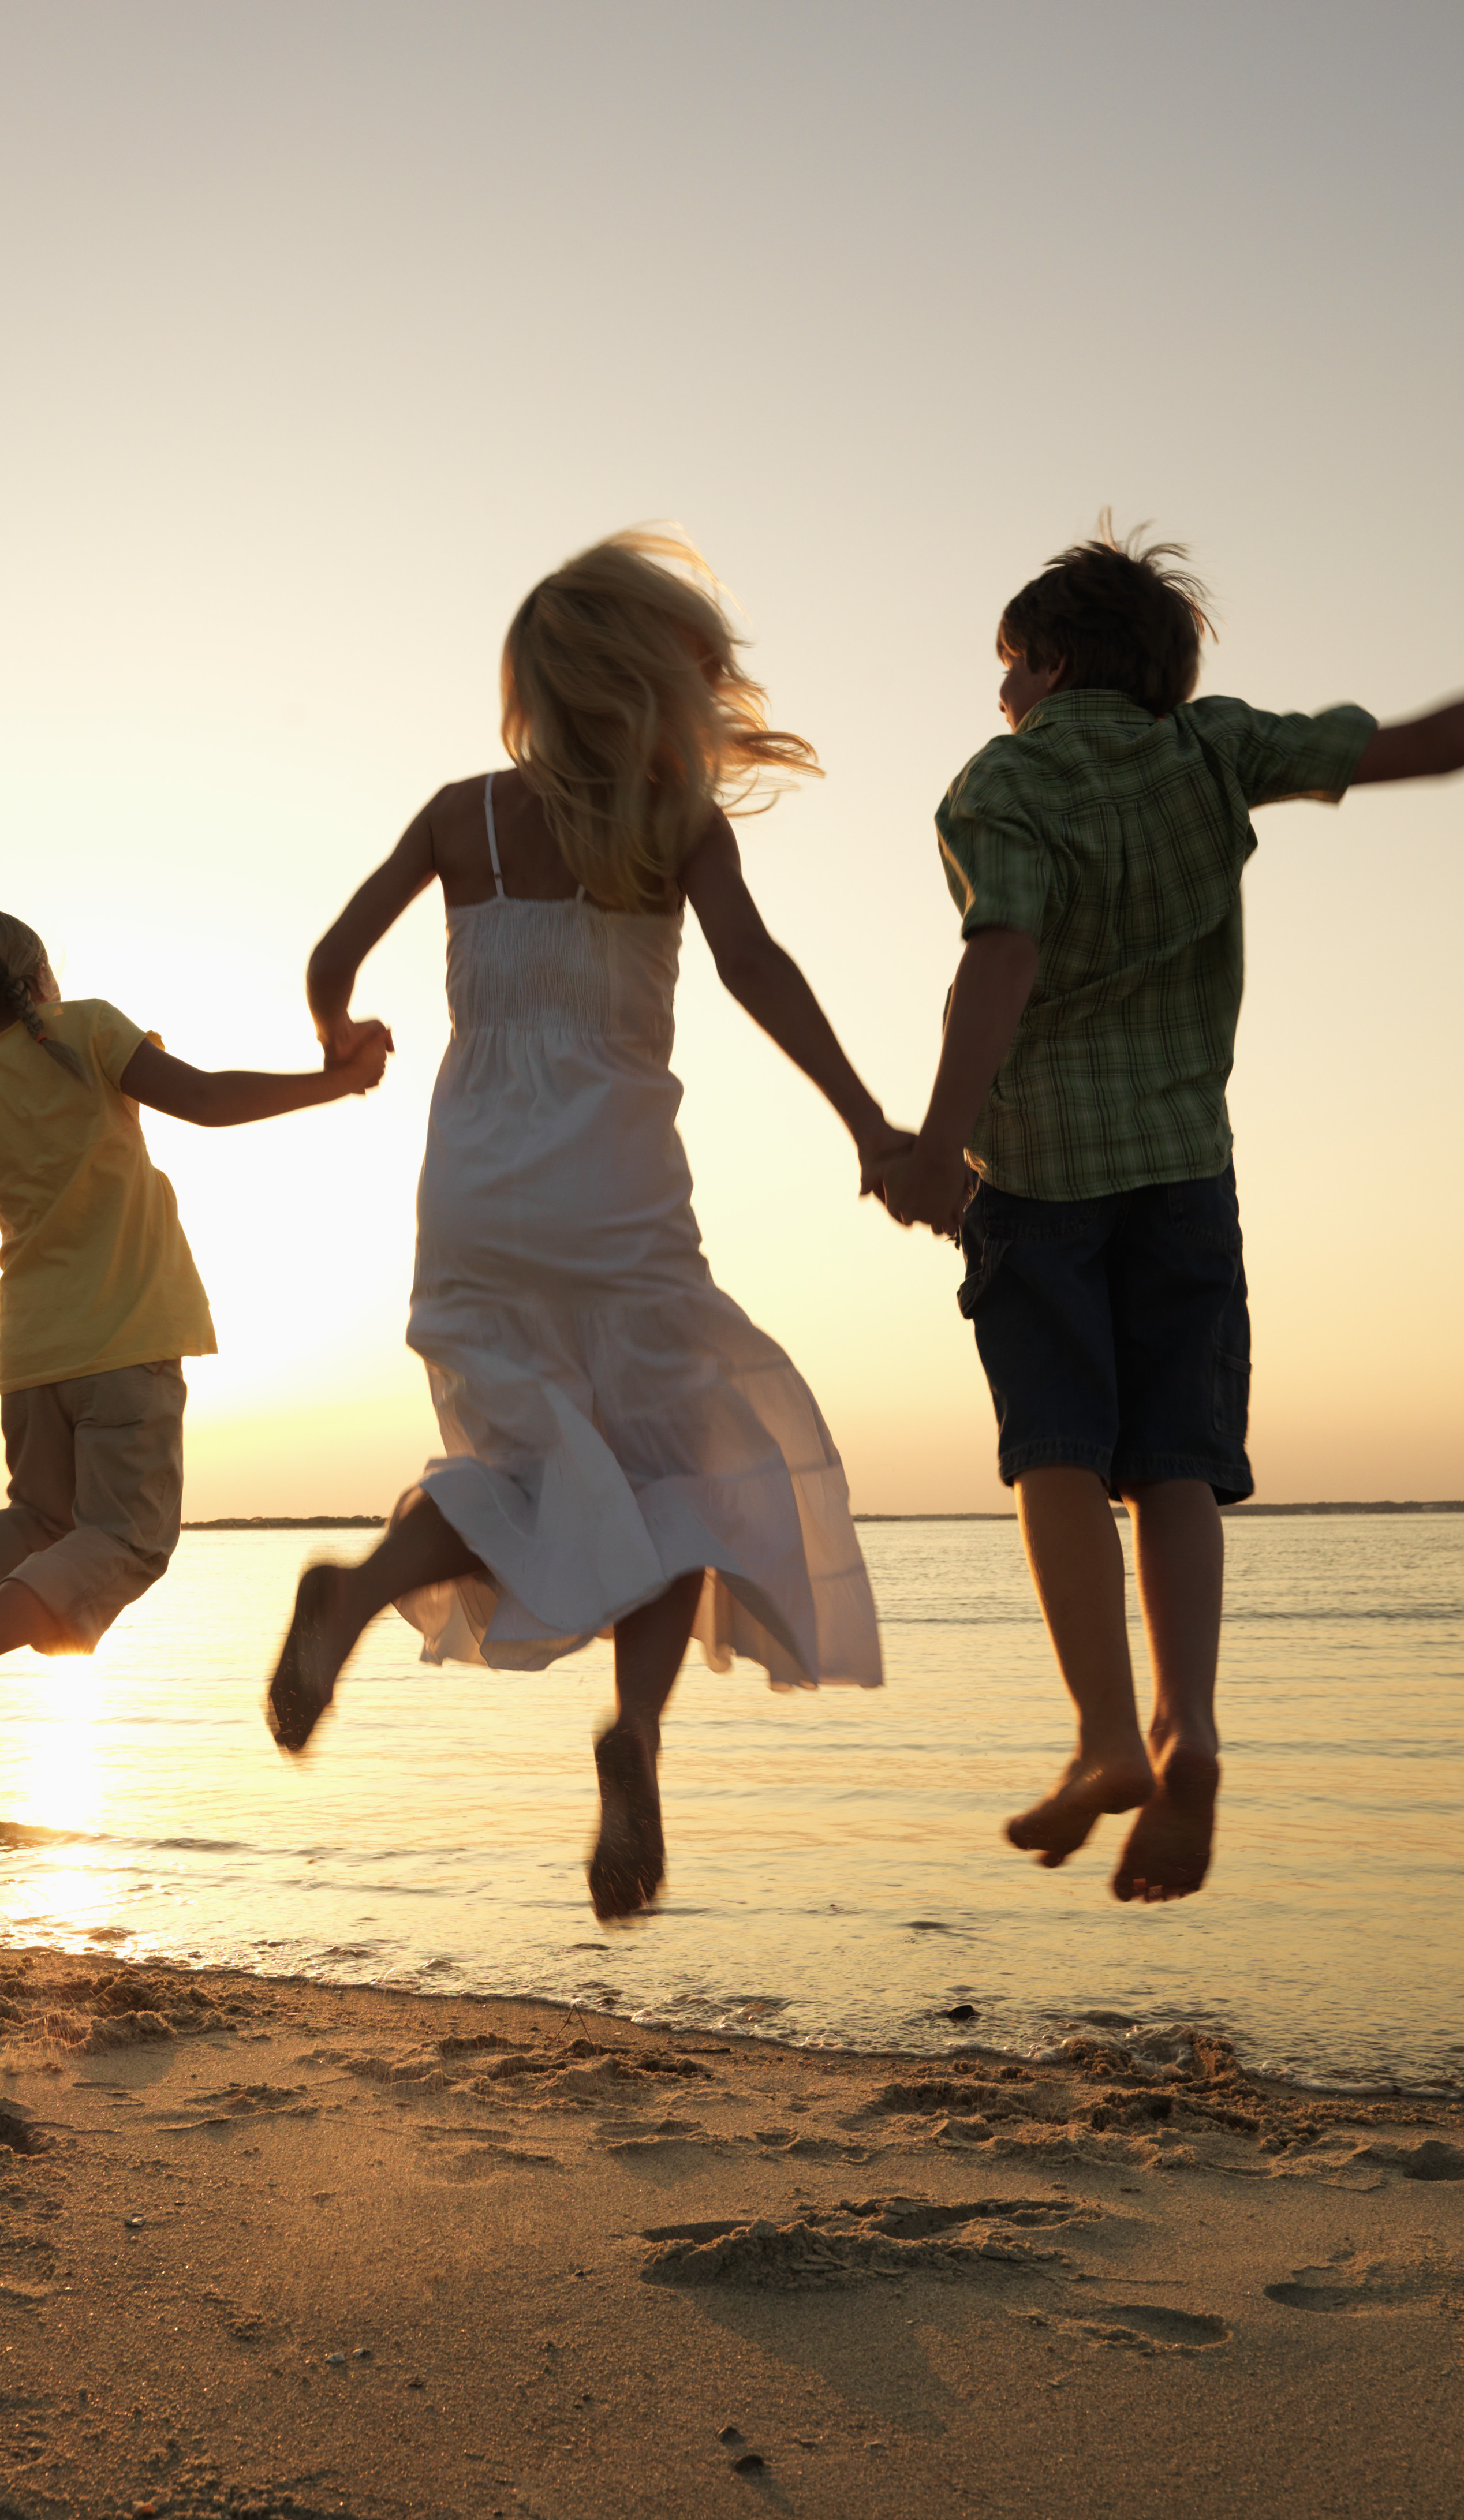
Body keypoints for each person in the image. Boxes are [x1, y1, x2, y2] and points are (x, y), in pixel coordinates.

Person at [882, 526, 1464, 1904]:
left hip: (1039, 1185)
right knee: (1178, 1464)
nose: (998, 693)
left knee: (1058, 1456)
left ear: (1052, 660)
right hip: (1187, 1175)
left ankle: (1096, 1738)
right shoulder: (1214, 752)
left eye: (1006, 666)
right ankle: (1184, 1726)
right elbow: (1437, 742)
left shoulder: (998, 783)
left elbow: (1001, 955)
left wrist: (933, 1143)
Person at [266, 530, 897, 1923]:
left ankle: (363, 1589)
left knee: (523, 1456)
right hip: (616, 1200)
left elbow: (329, 958)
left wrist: (341, 1040)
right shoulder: (674, 827)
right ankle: (637, 1736)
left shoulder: (459, 818)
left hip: (480, 1196)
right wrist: (867, 1123)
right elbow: (759, 972)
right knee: (683, 1471)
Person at [0, 908, 389, 1758]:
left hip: (31, 1366)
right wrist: (336, 1082)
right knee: (127, 1542)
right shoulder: (92, 1031)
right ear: (39, 977)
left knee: (42, 1523)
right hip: (127, 1350)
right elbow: (207, 1101)